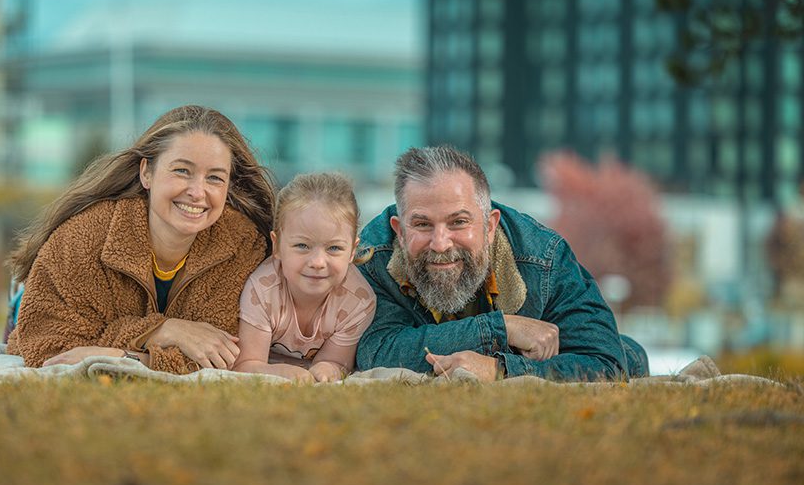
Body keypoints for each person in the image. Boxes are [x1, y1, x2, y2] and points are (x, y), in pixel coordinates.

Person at [5, 105, 275, 373]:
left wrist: (121, 356)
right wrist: (164, 331)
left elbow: (219, 356)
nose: (197, 191)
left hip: (104, 327)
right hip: (34, 304)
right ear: (147, 173)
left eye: (215, 177)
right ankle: (17, 294)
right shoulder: (84, 236)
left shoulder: (242, 246)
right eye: (182, 170)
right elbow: (49, 347)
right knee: (23, 305)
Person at [356, 145, 650, 382]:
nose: (440, 243)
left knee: (628, 355)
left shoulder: (543, 255)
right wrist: (501, 329)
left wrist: (500, 370)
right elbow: (374, 351)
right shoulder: (372, 256)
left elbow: (607, 362)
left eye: (459, 222)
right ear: (399, 231)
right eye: (422, 224)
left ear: (490, 225)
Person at [233, 173, 376, 383]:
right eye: (302, 246)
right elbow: (246, 364)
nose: (318, 262)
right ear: (277, 245)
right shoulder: (262, 290)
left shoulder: (359, 300)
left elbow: (337, 363)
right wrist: (280, 373)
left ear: (352, 251)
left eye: (334, 248)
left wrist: (329, 370)